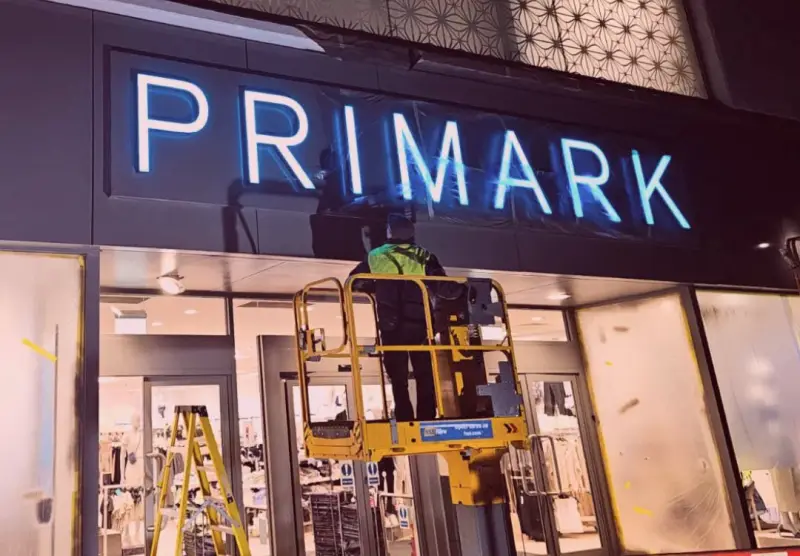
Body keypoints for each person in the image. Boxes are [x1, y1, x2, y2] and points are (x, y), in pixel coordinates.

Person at [350, 214, 445, 421]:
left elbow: (354, 282)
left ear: (390, 232)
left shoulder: (376, 256)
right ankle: (426, 415)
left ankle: (404, 416)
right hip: (420, 322)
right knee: (424, 373)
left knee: (398, 376)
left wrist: (374, 286)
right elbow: (442, 284)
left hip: (391, 323)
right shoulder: (423, 255)